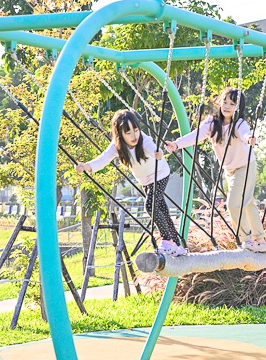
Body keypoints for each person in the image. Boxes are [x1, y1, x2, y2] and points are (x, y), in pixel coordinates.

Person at [165, 87, 266, 252]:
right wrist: (177, 144)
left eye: (232, 104)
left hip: (246, 166)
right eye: (225, 102)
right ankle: (260, 239)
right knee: (248, 203)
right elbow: (195, 135)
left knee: (234, 204)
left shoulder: (239, 123)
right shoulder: (212, 123)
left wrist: (249, 138)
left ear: (238, 108)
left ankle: (246, 240)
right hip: (230, 171)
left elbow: (244, 133)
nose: (227, 106)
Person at [76, 110, 187, 256]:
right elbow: (102, 160)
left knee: (150, 205)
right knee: (162, 210)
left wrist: (158, 153)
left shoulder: (144, 139)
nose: (134, 136)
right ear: (120, 134)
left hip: (160, 174)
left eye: (136, 130)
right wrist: (85, 166)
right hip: (146, 181)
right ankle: (177, 246)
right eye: (128, 133)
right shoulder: (117, 146)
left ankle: (167, 241)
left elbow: (154, 149)